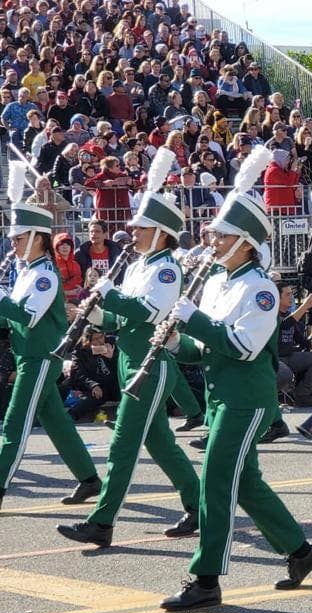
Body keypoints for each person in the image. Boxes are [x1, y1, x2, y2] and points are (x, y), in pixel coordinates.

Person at [156, 149, 312, 610]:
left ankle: (205, 578)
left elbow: (244, 346)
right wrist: (174, 342)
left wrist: (191, 321)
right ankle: (301, 551)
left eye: (222, 234)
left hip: (247, 400)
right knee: (246, 483)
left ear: (246, 242)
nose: (211, 239)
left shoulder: (261, 289)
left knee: (214, 482)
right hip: (219, 395)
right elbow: (206, 346)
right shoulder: (216, 282)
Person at [57, 150, 204, 548]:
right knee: (160, 444)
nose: (132, 233)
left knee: (123, 443)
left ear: (160, 232)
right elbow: (122, 320)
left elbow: (149, 309)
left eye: (141, 228)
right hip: (128, 358)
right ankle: (199, 504)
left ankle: (102, 522)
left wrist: (111, 297)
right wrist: (92, 314)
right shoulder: (140, 265)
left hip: (150, 364)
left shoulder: (167, 267)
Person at [0, 173, 101, 508]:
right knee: (56, 421)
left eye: (19, 238)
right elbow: (9, 315)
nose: (13, 243)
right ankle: (89, 479)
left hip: (41, 356)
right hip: (28, 353)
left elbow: (27, 314)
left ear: (37, 239)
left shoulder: (44, 275)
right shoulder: (28, 271)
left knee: (14, 424)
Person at [275, 283, 312, 407]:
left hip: (289, 356)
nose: (291, 297)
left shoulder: (289, 315)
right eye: (287, 294)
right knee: (284, 372)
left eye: (292, 294)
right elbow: (285, 324)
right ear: (278, 297)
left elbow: (299, 338)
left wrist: (311, 342)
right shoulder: (272, 315)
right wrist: (304, 306)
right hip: (276, 359)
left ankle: (302, 393)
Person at [66, 328, 119, 423]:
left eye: (101, 337)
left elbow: (123, 367)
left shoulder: (112, 343)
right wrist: (93, 385)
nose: (99, 341)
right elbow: (78, 372)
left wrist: (112, 357)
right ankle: (68, 418)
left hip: (115, 384)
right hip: (97, 386)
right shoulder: (80, 350)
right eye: (95, 339)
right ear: (88, 340)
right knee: (91, 399)